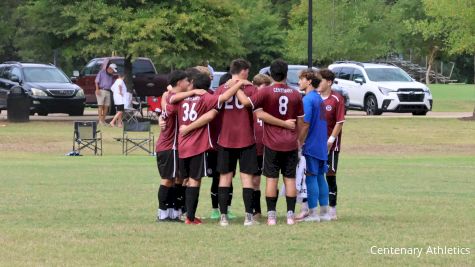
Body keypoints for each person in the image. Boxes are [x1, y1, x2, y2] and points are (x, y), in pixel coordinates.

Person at [167, 72, 243, 225]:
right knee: (195, 181)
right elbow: (223, 98)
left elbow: (169, 102)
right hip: (197, 146)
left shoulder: (182, 98)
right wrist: (238, 84)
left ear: (193, 83)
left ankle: (183, 213)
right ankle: (190, 217)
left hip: (182, 145)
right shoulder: (205, 97)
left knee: (185, 180)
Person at [236, 59, 304, 226]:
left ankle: (272, 216)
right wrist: (298, 140)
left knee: (271, 179)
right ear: (287, 74)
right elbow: (301, 122)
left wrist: (236, 85)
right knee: (290, 179)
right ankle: (290, 216)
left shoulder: (266, 91)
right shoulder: (295, 94)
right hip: (290, 143)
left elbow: (246, 103)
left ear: (271, 74)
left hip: (272, 144)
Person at [156, 70, 208, 222]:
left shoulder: (174, 96)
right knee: (167, 179)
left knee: (177, 179)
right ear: (179, 83)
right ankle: (162, 212)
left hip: (176, 146)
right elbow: (169, 100)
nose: (189, 84)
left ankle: (173, 211)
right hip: (169, 146)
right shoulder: (173, 97)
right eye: (187, 81)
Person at [213, 59, 260, 227]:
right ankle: (248, 217)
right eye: (247, 71)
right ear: (243, 71)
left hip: (225, 138)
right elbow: (250, 105)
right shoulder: (251, 88)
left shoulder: (220, 88)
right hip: (246, 138)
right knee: (246, 177)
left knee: (224, 178)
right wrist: (240, 85)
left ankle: (223, 217)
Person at [297, 69, 331, 222]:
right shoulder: (319, 99)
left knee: (310, 177)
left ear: (309, 81)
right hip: (321, 145)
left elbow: (305, 124)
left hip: (311, 145)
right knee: (320, 177)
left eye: (301, 79)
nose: (299, 82)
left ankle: (313, 214)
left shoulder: (308, 100)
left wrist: (299, 143)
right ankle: (325, 213)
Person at [318, 69, 345, 220]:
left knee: (330, 175)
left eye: (320, 80)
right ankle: (317, 208)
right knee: (315, 175)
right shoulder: (315, 97)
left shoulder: (337, 99)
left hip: (330, 146)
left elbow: (339, 122)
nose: (317, 84)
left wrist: (331, 140)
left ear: (328, 82)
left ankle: (332, 208)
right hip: (315, 144)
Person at [250, 73, 272, 219]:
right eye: (263, 88)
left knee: (272, 179)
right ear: (256, 87)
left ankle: (272, 210)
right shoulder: (250, 104)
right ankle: (256, 211)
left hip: (271, 146)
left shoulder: (271, 103)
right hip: (255, 147)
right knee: (255, 181)